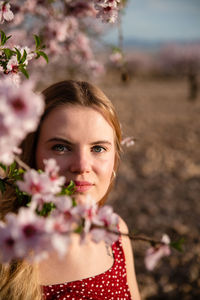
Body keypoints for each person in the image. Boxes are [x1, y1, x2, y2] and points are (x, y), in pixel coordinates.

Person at [0, 80, 140, 300]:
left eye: (98, 148)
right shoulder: (7, 243)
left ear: (114, 157)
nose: (82, 166)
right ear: (31, 152)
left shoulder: (115, 233)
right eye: (61, 147)